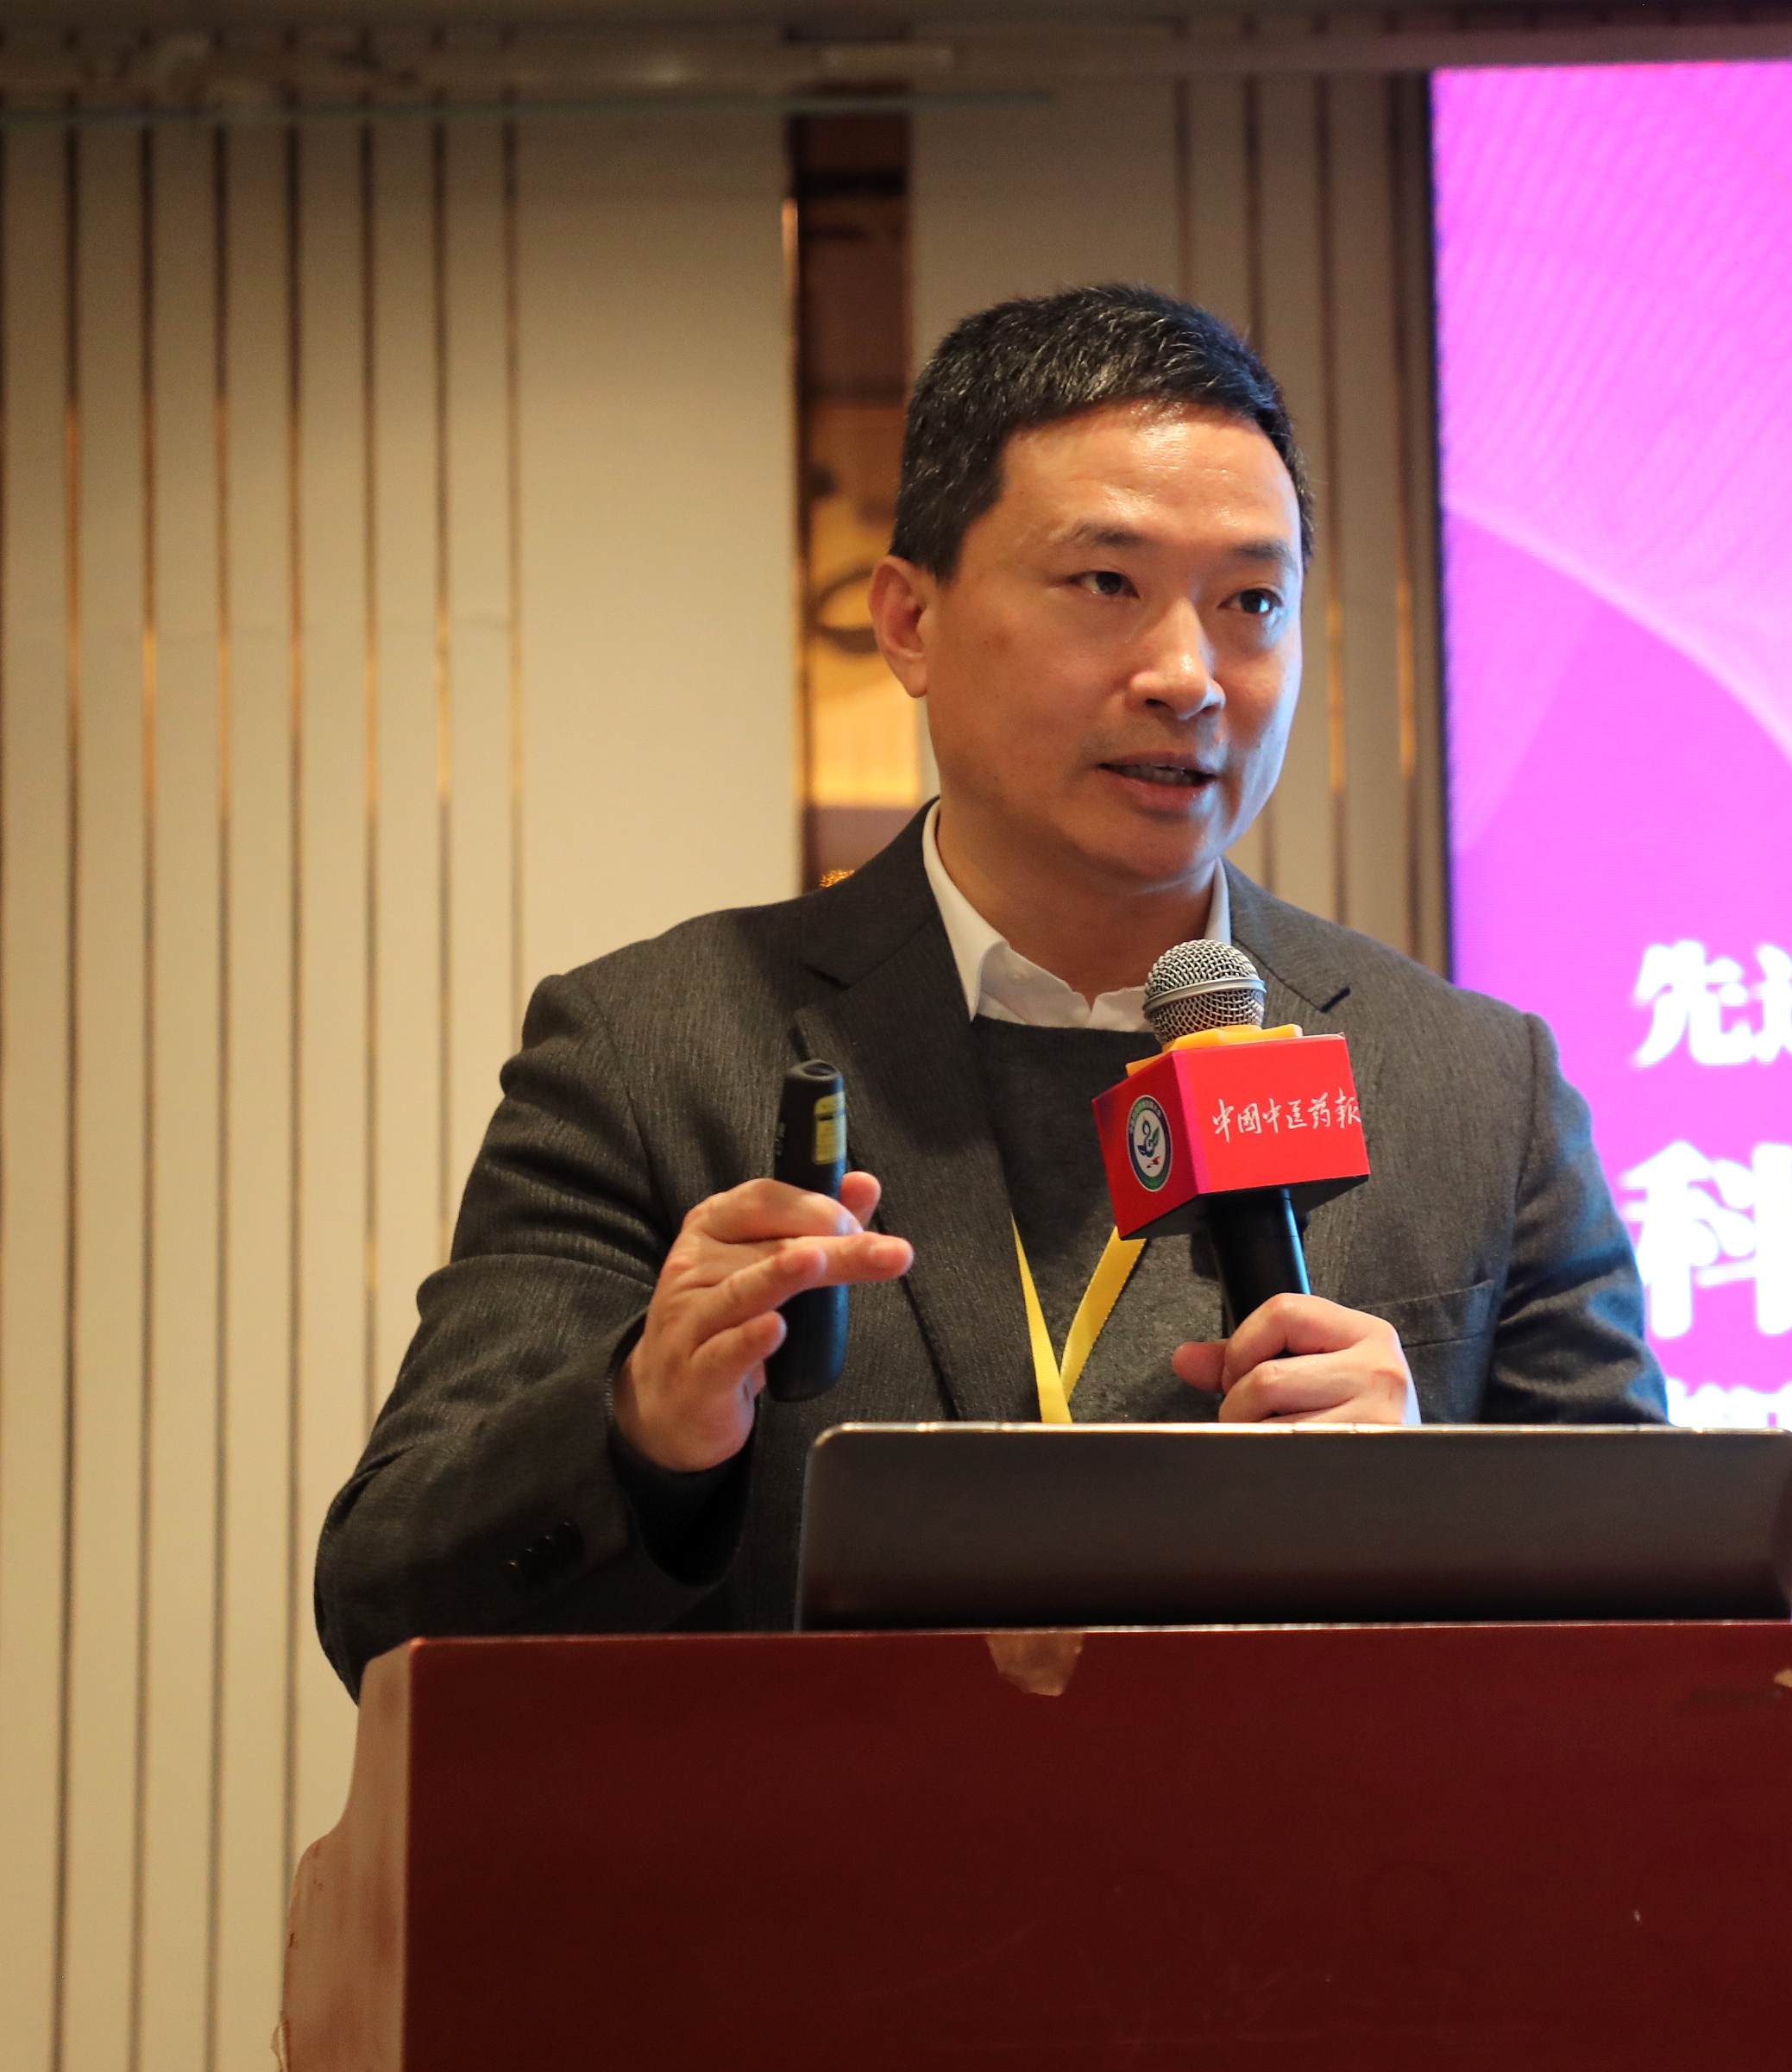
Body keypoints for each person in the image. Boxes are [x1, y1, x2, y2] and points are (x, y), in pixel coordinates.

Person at [313, 286, 1665, 1697]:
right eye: (1107, 585)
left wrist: (1433, 1517)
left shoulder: (1474, 1085)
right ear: (909, 621)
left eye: (1251, 602)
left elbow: (1671, 1649)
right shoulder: (654, 1051)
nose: (1189, 676)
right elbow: (385, 1600)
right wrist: (642, 1432)